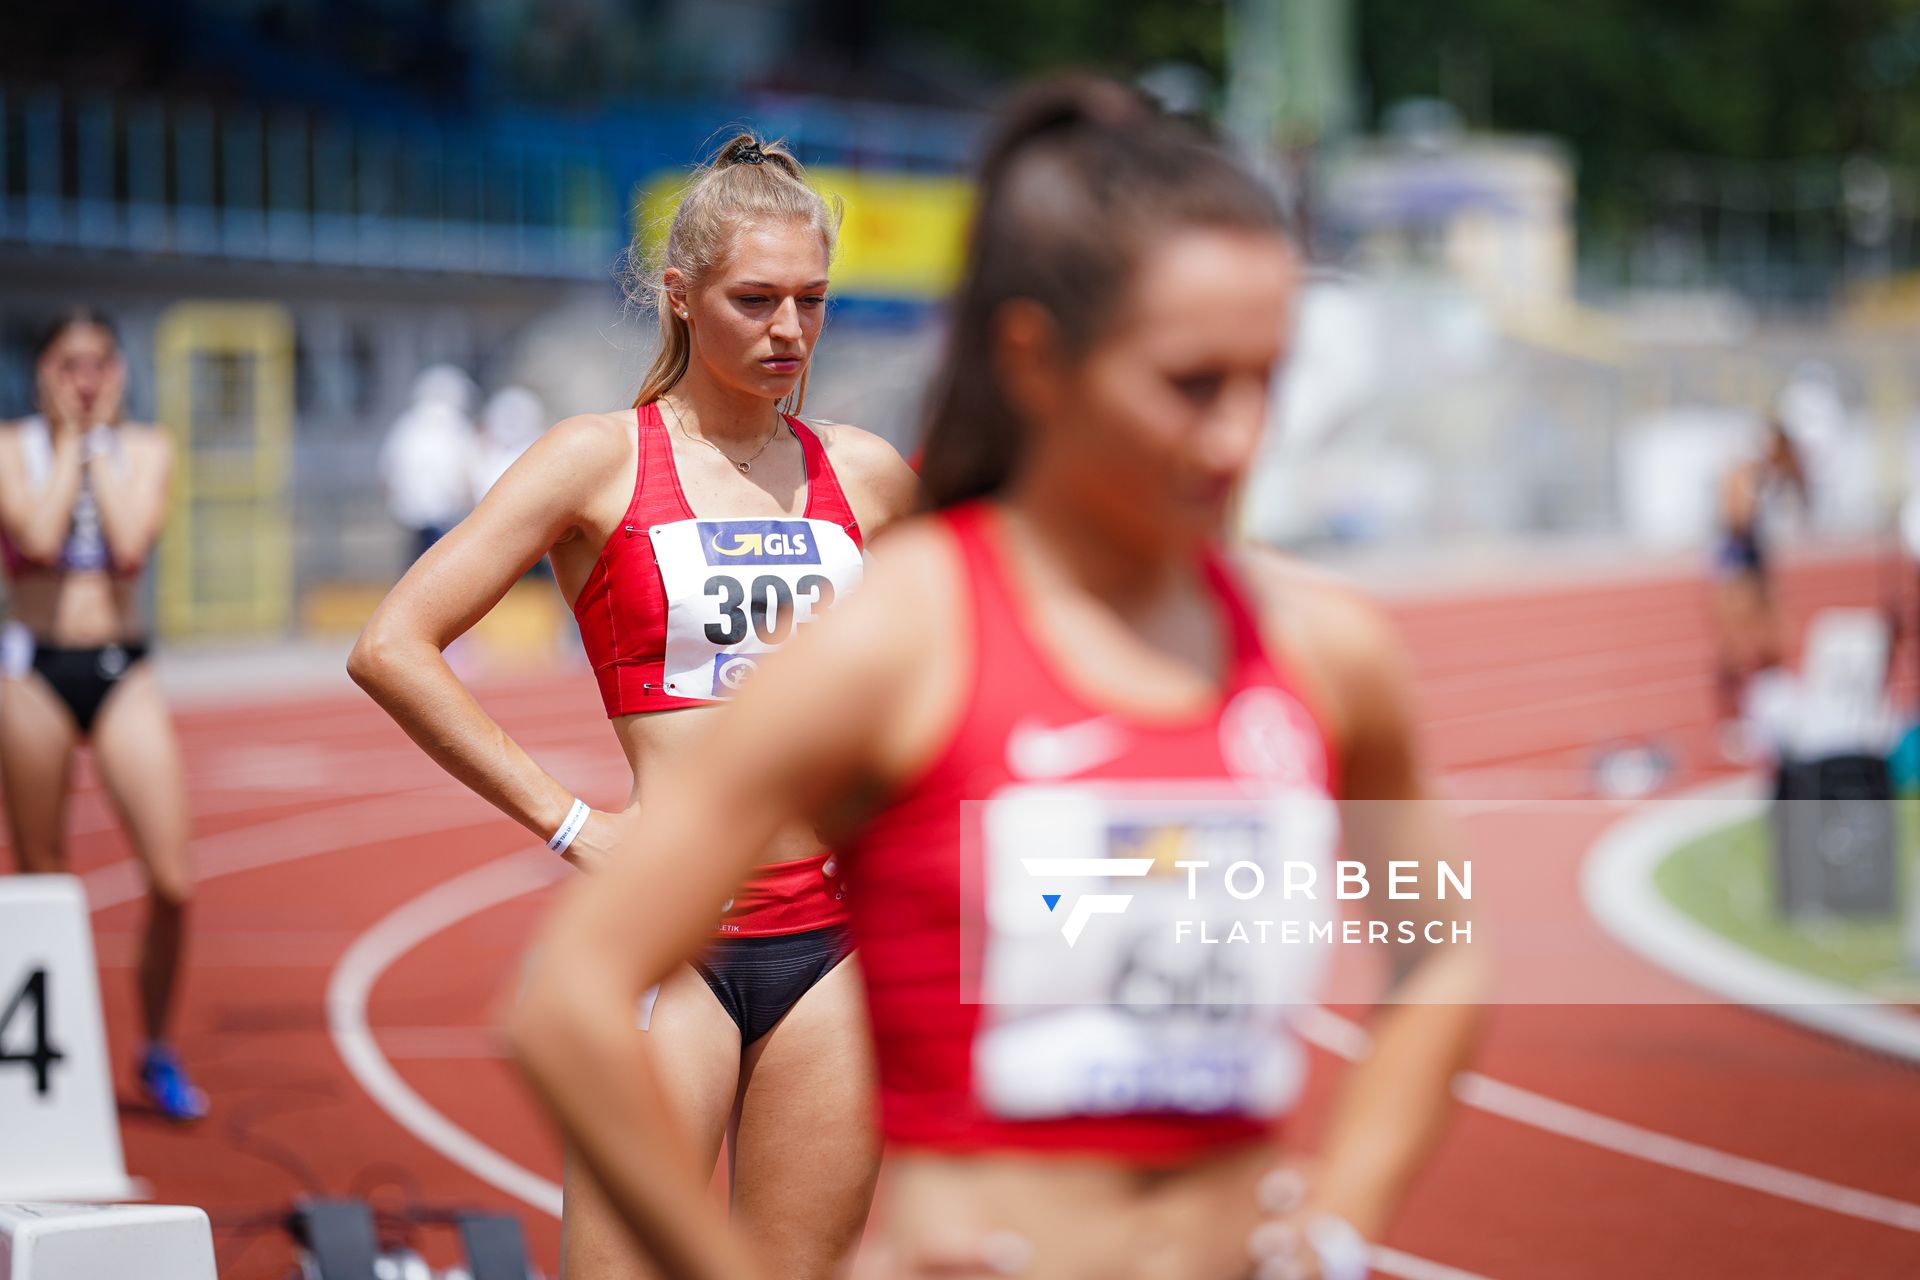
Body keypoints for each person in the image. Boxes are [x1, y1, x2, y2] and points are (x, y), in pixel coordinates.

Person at [511, 79, 1486, 1280]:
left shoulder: (1331, 648)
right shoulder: (896, 641)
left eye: (1267, 380)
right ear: (1036, 359)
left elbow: (1441, 945)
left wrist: (1335, 1223)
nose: (1242, 438)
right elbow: (569, 998)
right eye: (1190, 383)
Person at [350, 133, 916, 1278]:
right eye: (755, 301)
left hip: (837, 947)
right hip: (676, 937)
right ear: (679, 295)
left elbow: (967, 656)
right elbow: (392, 644)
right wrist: (569, 822)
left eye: (812, 300)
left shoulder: (867, 472)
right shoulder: (594, 461)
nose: (790, 332)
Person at [0, 309, 205, 1121]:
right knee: (43, 880)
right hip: (35, 668)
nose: (85, 381)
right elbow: (40, 535)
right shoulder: (13, 446)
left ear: (120, 370)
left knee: (173, 878)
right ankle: (56, 1060)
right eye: (67, 365)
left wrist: (95, 445)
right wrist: (65, 441)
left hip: (121, 666)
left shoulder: (147, 448)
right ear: (42, 371)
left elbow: (126, 545)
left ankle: (155, 1045)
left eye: (99, 364)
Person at [1710, 413, 1810, 748]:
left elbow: (1801, 492)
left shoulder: (1772, 474)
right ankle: (1730, 721)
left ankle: (1767, 714)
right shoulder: (1744, 473)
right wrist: (1760, 498)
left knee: (1773, 644)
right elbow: (1736, 520)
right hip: (1735, 564)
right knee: (1734, 647)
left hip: (1758, 562)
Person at [377, 363, 480, 563]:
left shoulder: (407, 424)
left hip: (410, 516)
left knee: (416, 565)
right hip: (447, 515)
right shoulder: (456, 425)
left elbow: (386, 470)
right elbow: (469, 469)